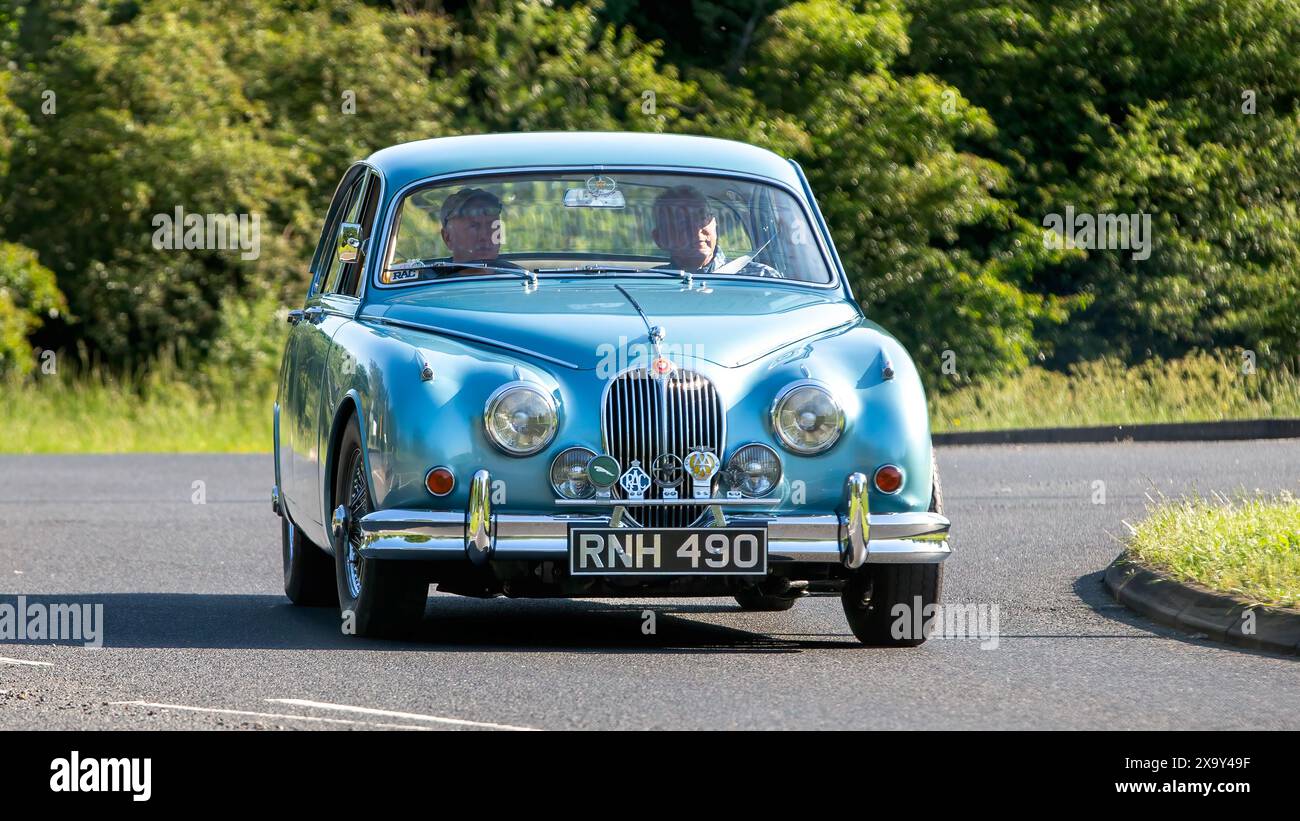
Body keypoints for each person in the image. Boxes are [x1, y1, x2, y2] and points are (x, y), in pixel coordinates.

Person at [650, 185, 781, 277]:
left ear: (715, 224)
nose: (696, 229)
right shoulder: (648, 285)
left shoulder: (762, 277)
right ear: (660, 238)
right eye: (682, 222)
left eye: (702, 218)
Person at [437, 187, 525, 275]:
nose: (484, 236)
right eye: (473, 226)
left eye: (492, 226)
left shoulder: (521, 280)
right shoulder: (436, 286)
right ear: (448, 238)